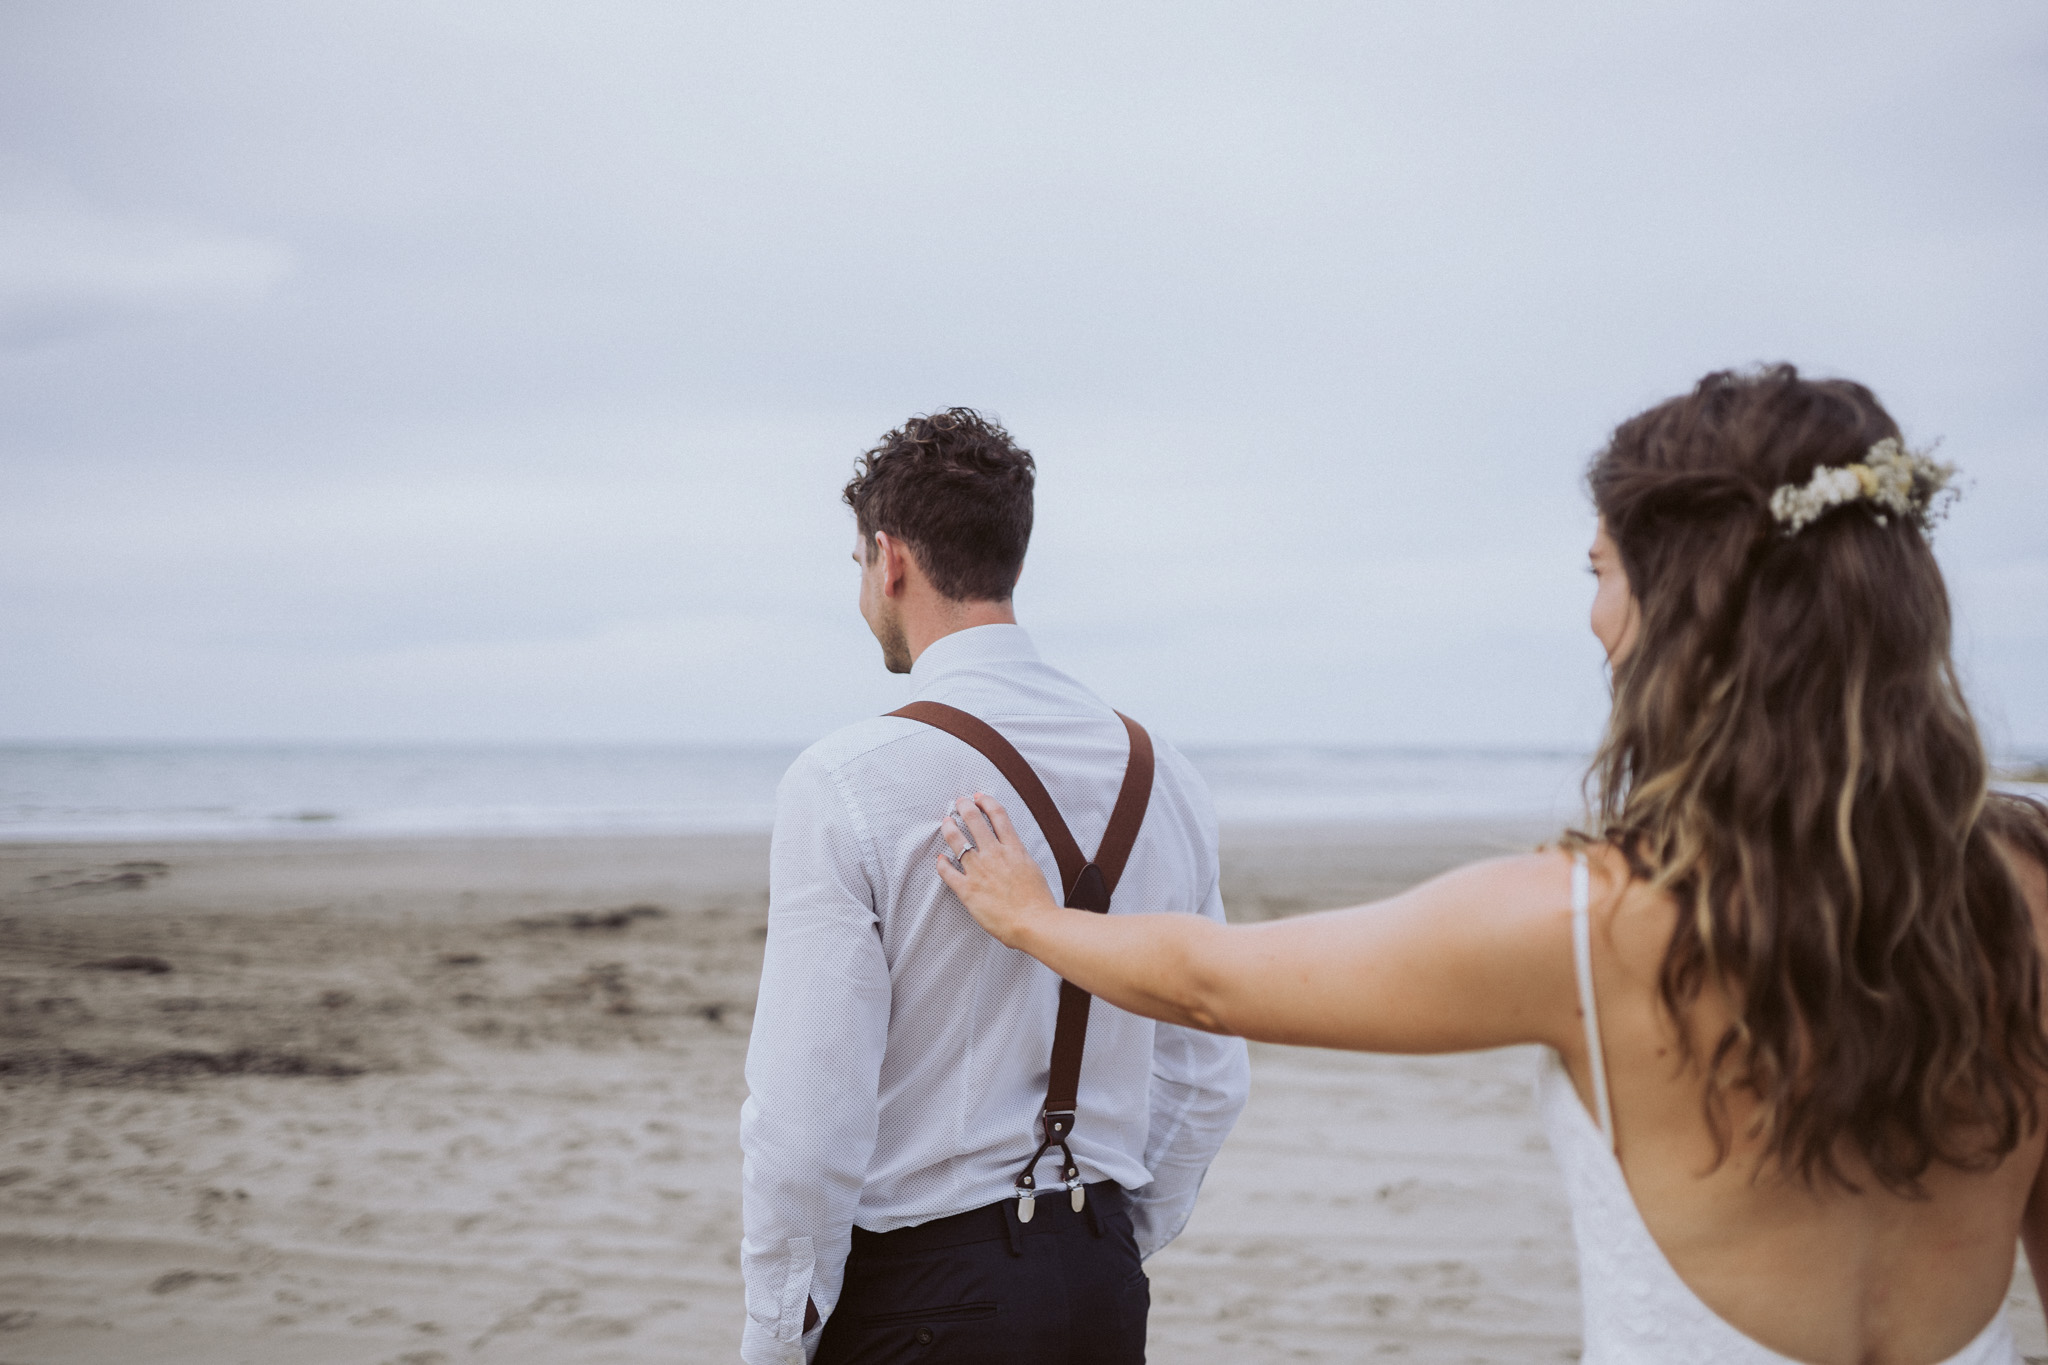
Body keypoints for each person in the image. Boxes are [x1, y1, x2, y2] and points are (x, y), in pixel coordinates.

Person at [934, 366, 2048, 1365]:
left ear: (1686, 608)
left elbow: (1208, 981)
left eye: (1599, 569)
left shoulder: (1589, 925)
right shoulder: (2027, 887)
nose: (1593, 615)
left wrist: (1032, 920)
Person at [739, 408, 1250, 1365]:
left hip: (921, 1298)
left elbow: (804, 1125)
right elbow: (1208, 1071)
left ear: (890, 560)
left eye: (859, 564)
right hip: (1099, 1282)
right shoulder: (1165, 773)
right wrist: (1111, 1239)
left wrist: (776, 1339)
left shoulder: (850, 779)